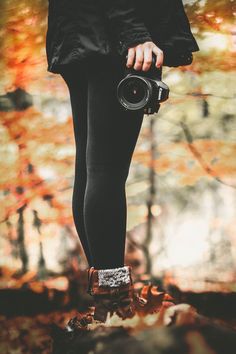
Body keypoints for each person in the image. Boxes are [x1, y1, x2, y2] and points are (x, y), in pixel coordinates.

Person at [45, 0, 199, 323]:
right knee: (105, 171)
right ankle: (114, 307)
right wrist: (133, 33)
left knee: (92, 171)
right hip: (114, 34)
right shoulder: (128, 37)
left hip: (80, 29)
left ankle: (109, 302)